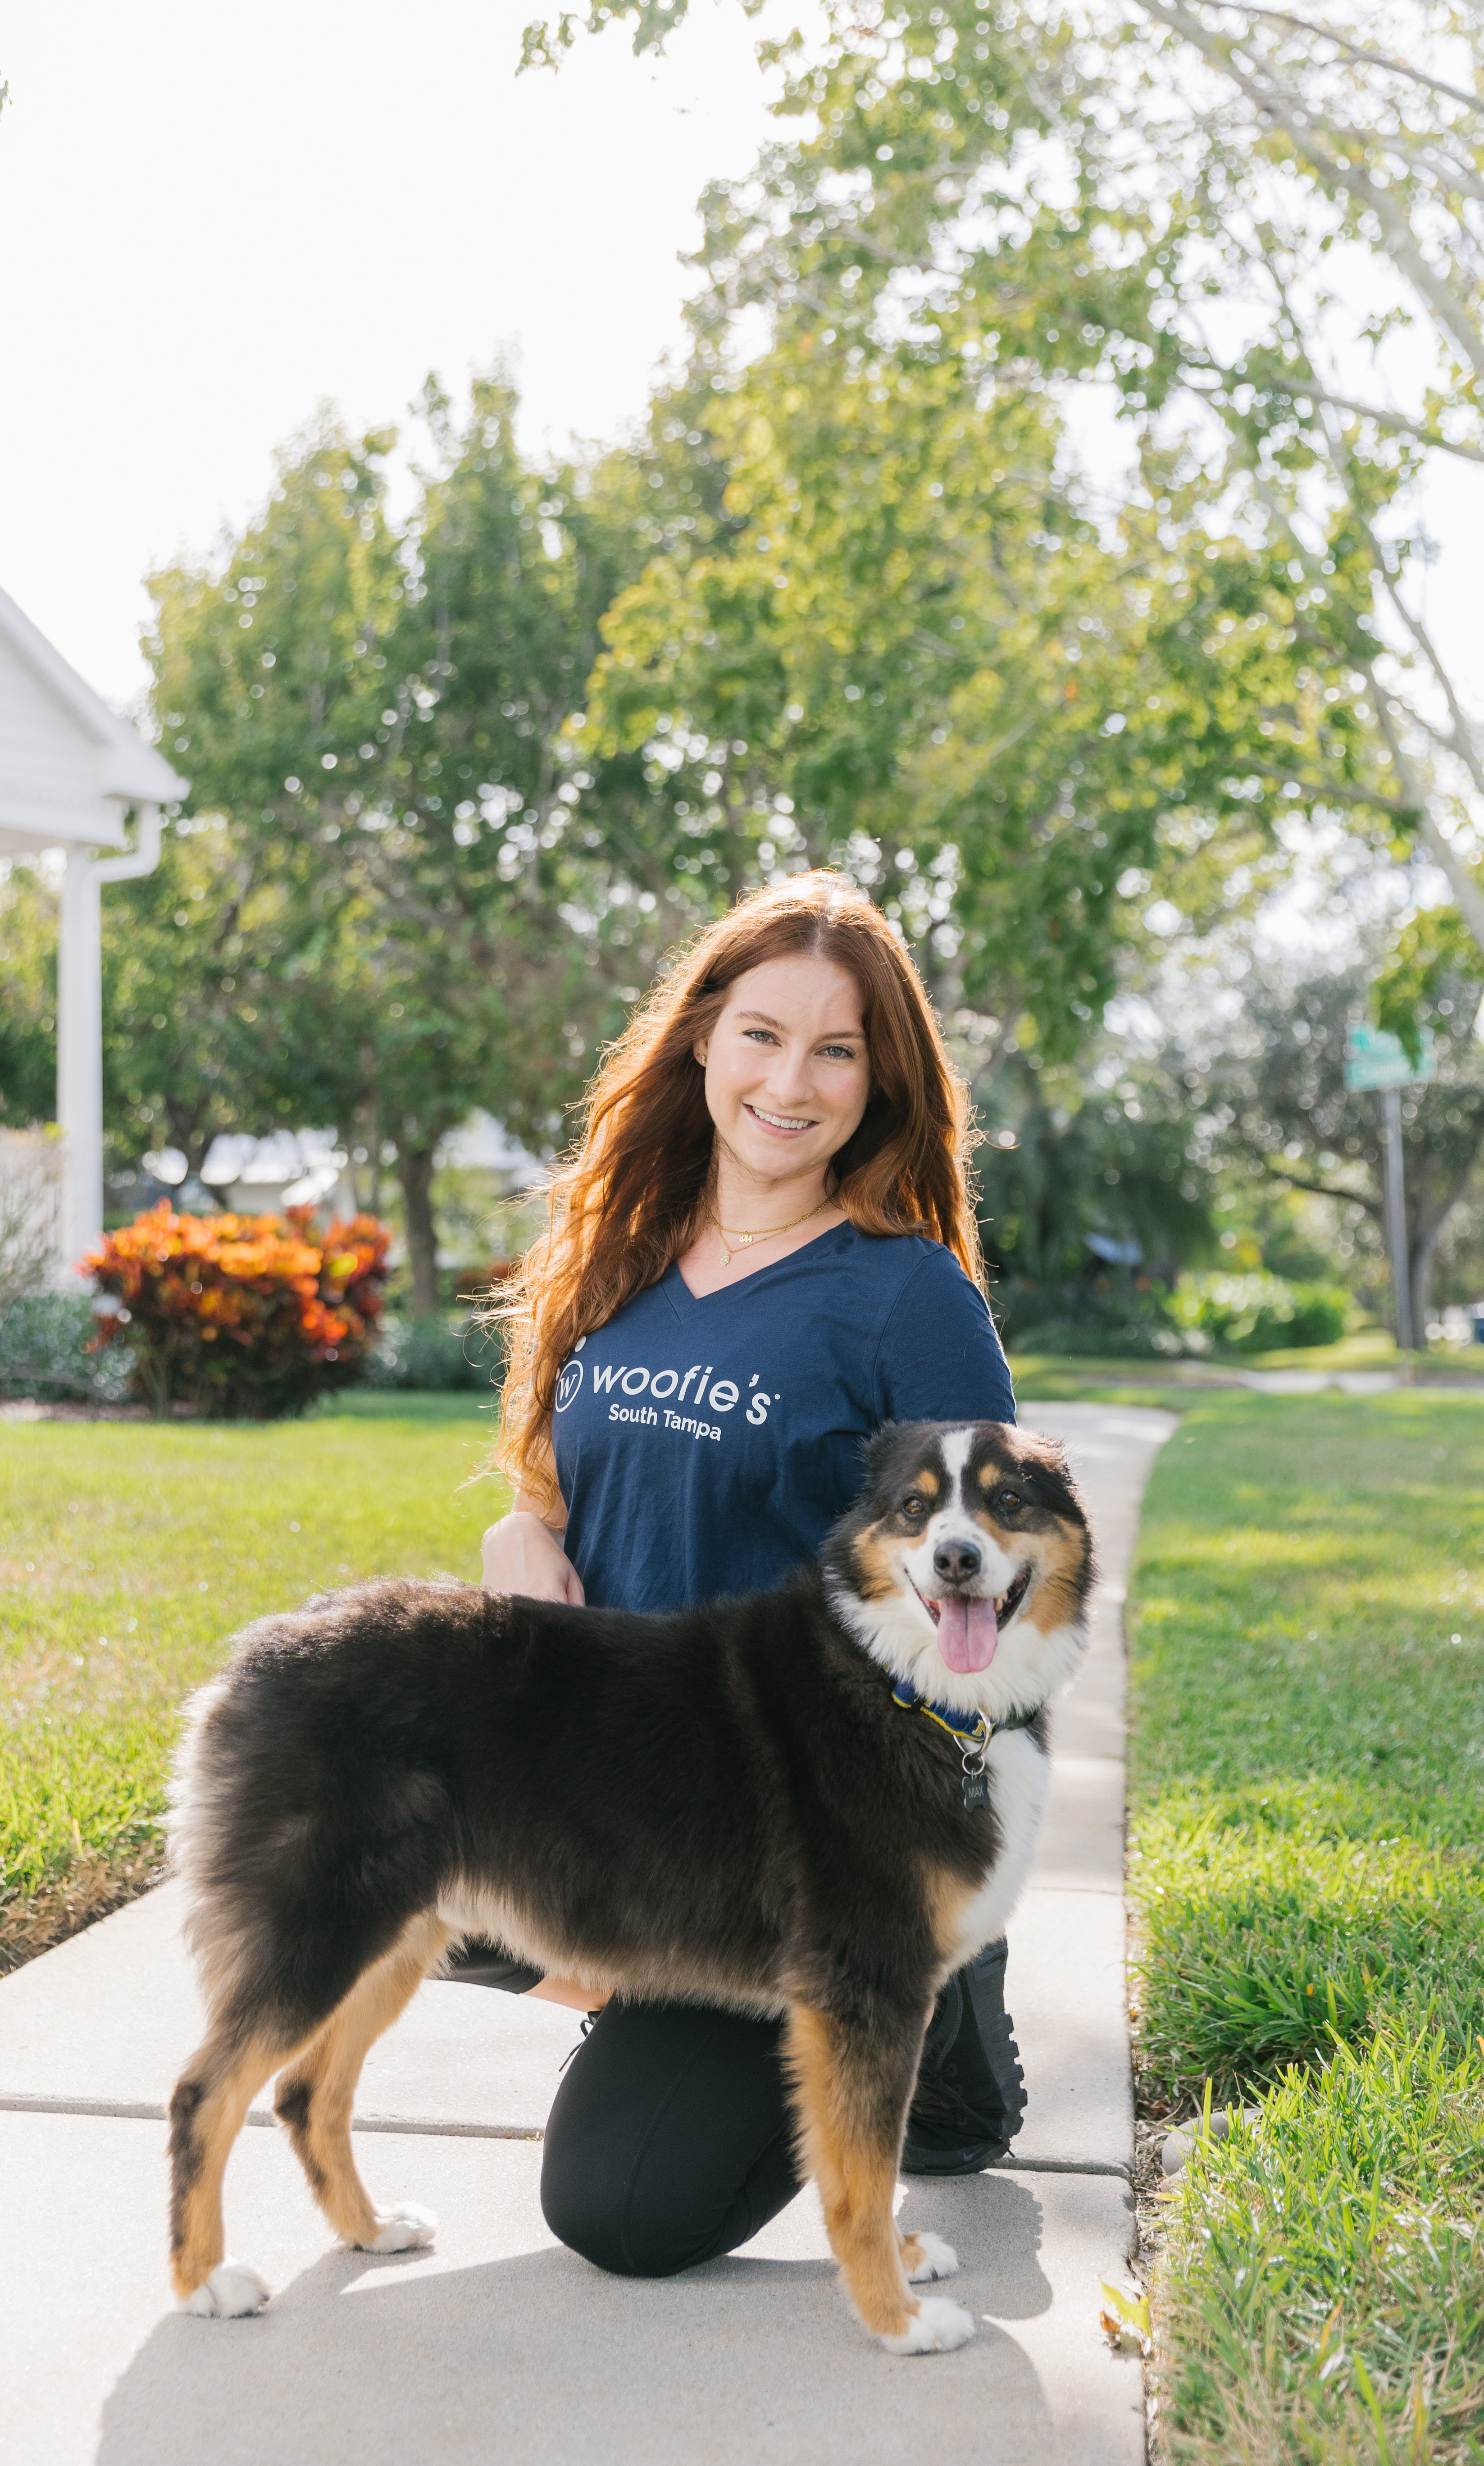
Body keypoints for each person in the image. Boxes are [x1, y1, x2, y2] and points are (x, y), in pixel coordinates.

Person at [461, 870, 1025, 2281]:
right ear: (703, 1037)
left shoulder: (908, 1300)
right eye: (764, 1033)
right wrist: (518, 1540)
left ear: (880, 1084)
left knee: (624, 2212)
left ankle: (932, 2017)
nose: (794, 1080)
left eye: (839, 1050)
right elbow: (567, 1481)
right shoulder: (617, 1252)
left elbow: (986, 1604)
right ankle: (654, 1975)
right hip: (621, 1786)